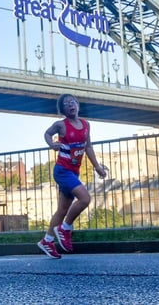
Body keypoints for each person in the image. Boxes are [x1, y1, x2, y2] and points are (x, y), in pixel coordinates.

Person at [37, 94, 107, 259]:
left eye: (73, 101)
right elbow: (47, 134)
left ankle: (47, 241)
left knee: (62, 210)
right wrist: (51, 144)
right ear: (63, 109)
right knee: (85, 199)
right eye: (66, 103)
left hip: (74, 171)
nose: (71, 105)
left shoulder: (85, 125)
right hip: (62, 170)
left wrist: (97, 166)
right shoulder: (61, 125)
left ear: (78, 105)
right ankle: (64, 228)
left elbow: (87, 146)